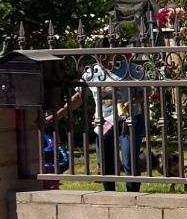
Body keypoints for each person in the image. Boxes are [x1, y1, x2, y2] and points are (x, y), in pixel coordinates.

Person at [48, 52, 146, 192]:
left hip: (129, 121)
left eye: (106, 56)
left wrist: (133, 101)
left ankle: (132, 195)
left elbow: (147, 91)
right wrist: (57, 116)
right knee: (105, 163)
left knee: (129, 160)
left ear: (114, 54)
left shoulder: (130, 68)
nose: (103, 59)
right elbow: (78, 98)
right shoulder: (92, 72)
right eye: (100, 56)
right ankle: (109, 194)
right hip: (104, 123)